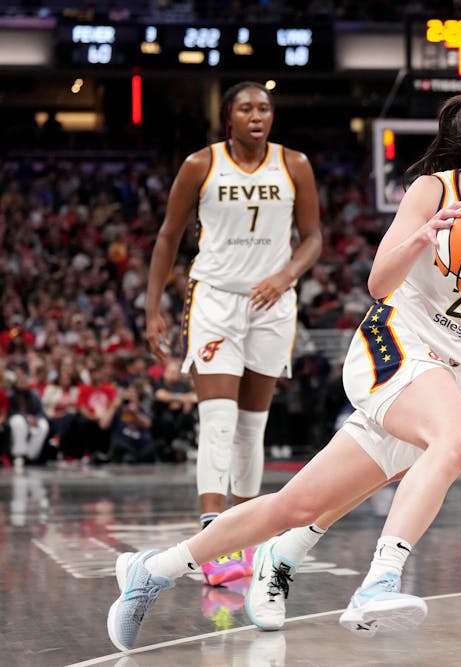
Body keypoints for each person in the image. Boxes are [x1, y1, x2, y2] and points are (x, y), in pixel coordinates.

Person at [107, 87, 461, 650]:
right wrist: (419, 237)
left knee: (299, 505)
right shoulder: (432, 190)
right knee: (459, 438)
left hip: (454, 362)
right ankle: (380, 581)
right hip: (395, 345)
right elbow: (379, 284)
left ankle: (154, 569)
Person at [143, 81, 322, 586]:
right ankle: (210, 536)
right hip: (216, 299)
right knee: (217, 420)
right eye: (245, 108)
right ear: (229, 118)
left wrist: (285, 276)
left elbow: (313, 239)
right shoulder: (201, 165)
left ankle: (242, 537)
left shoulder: (295, 165)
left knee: (251, 426)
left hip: (272, 303)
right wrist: (153, 308)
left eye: (264, 107)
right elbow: (168, 236)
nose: (257, 114)